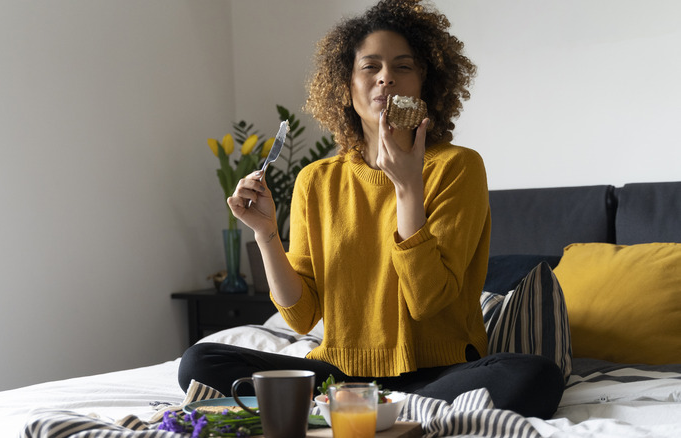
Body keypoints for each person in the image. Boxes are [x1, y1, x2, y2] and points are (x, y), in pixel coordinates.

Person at [179, 0, 564, 419]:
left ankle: (367, 412)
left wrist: (407, 187)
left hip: (437, 372)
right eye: (370, 67)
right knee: (200, 364)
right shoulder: (316, 180)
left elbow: (427, 302)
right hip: (340, 376)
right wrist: (266, 234)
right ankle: (377, 411)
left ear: (424, 84)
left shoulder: (458, 166)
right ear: (346, 85)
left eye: (404, 66)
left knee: (535, 376)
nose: (386, 78)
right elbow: (302, 317)